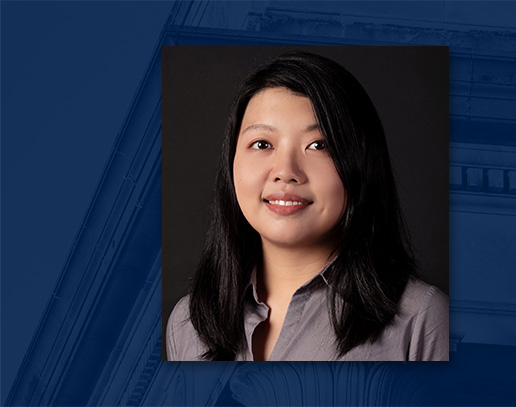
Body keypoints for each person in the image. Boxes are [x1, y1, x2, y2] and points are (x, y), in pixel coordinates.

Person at [166, 51, 449, 361]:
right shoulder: (188, 326)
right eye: (262, 144)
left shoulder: (422, 318)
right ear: (231, 164)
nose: (285, 171)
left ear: (360, 164)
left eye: (319, 145)